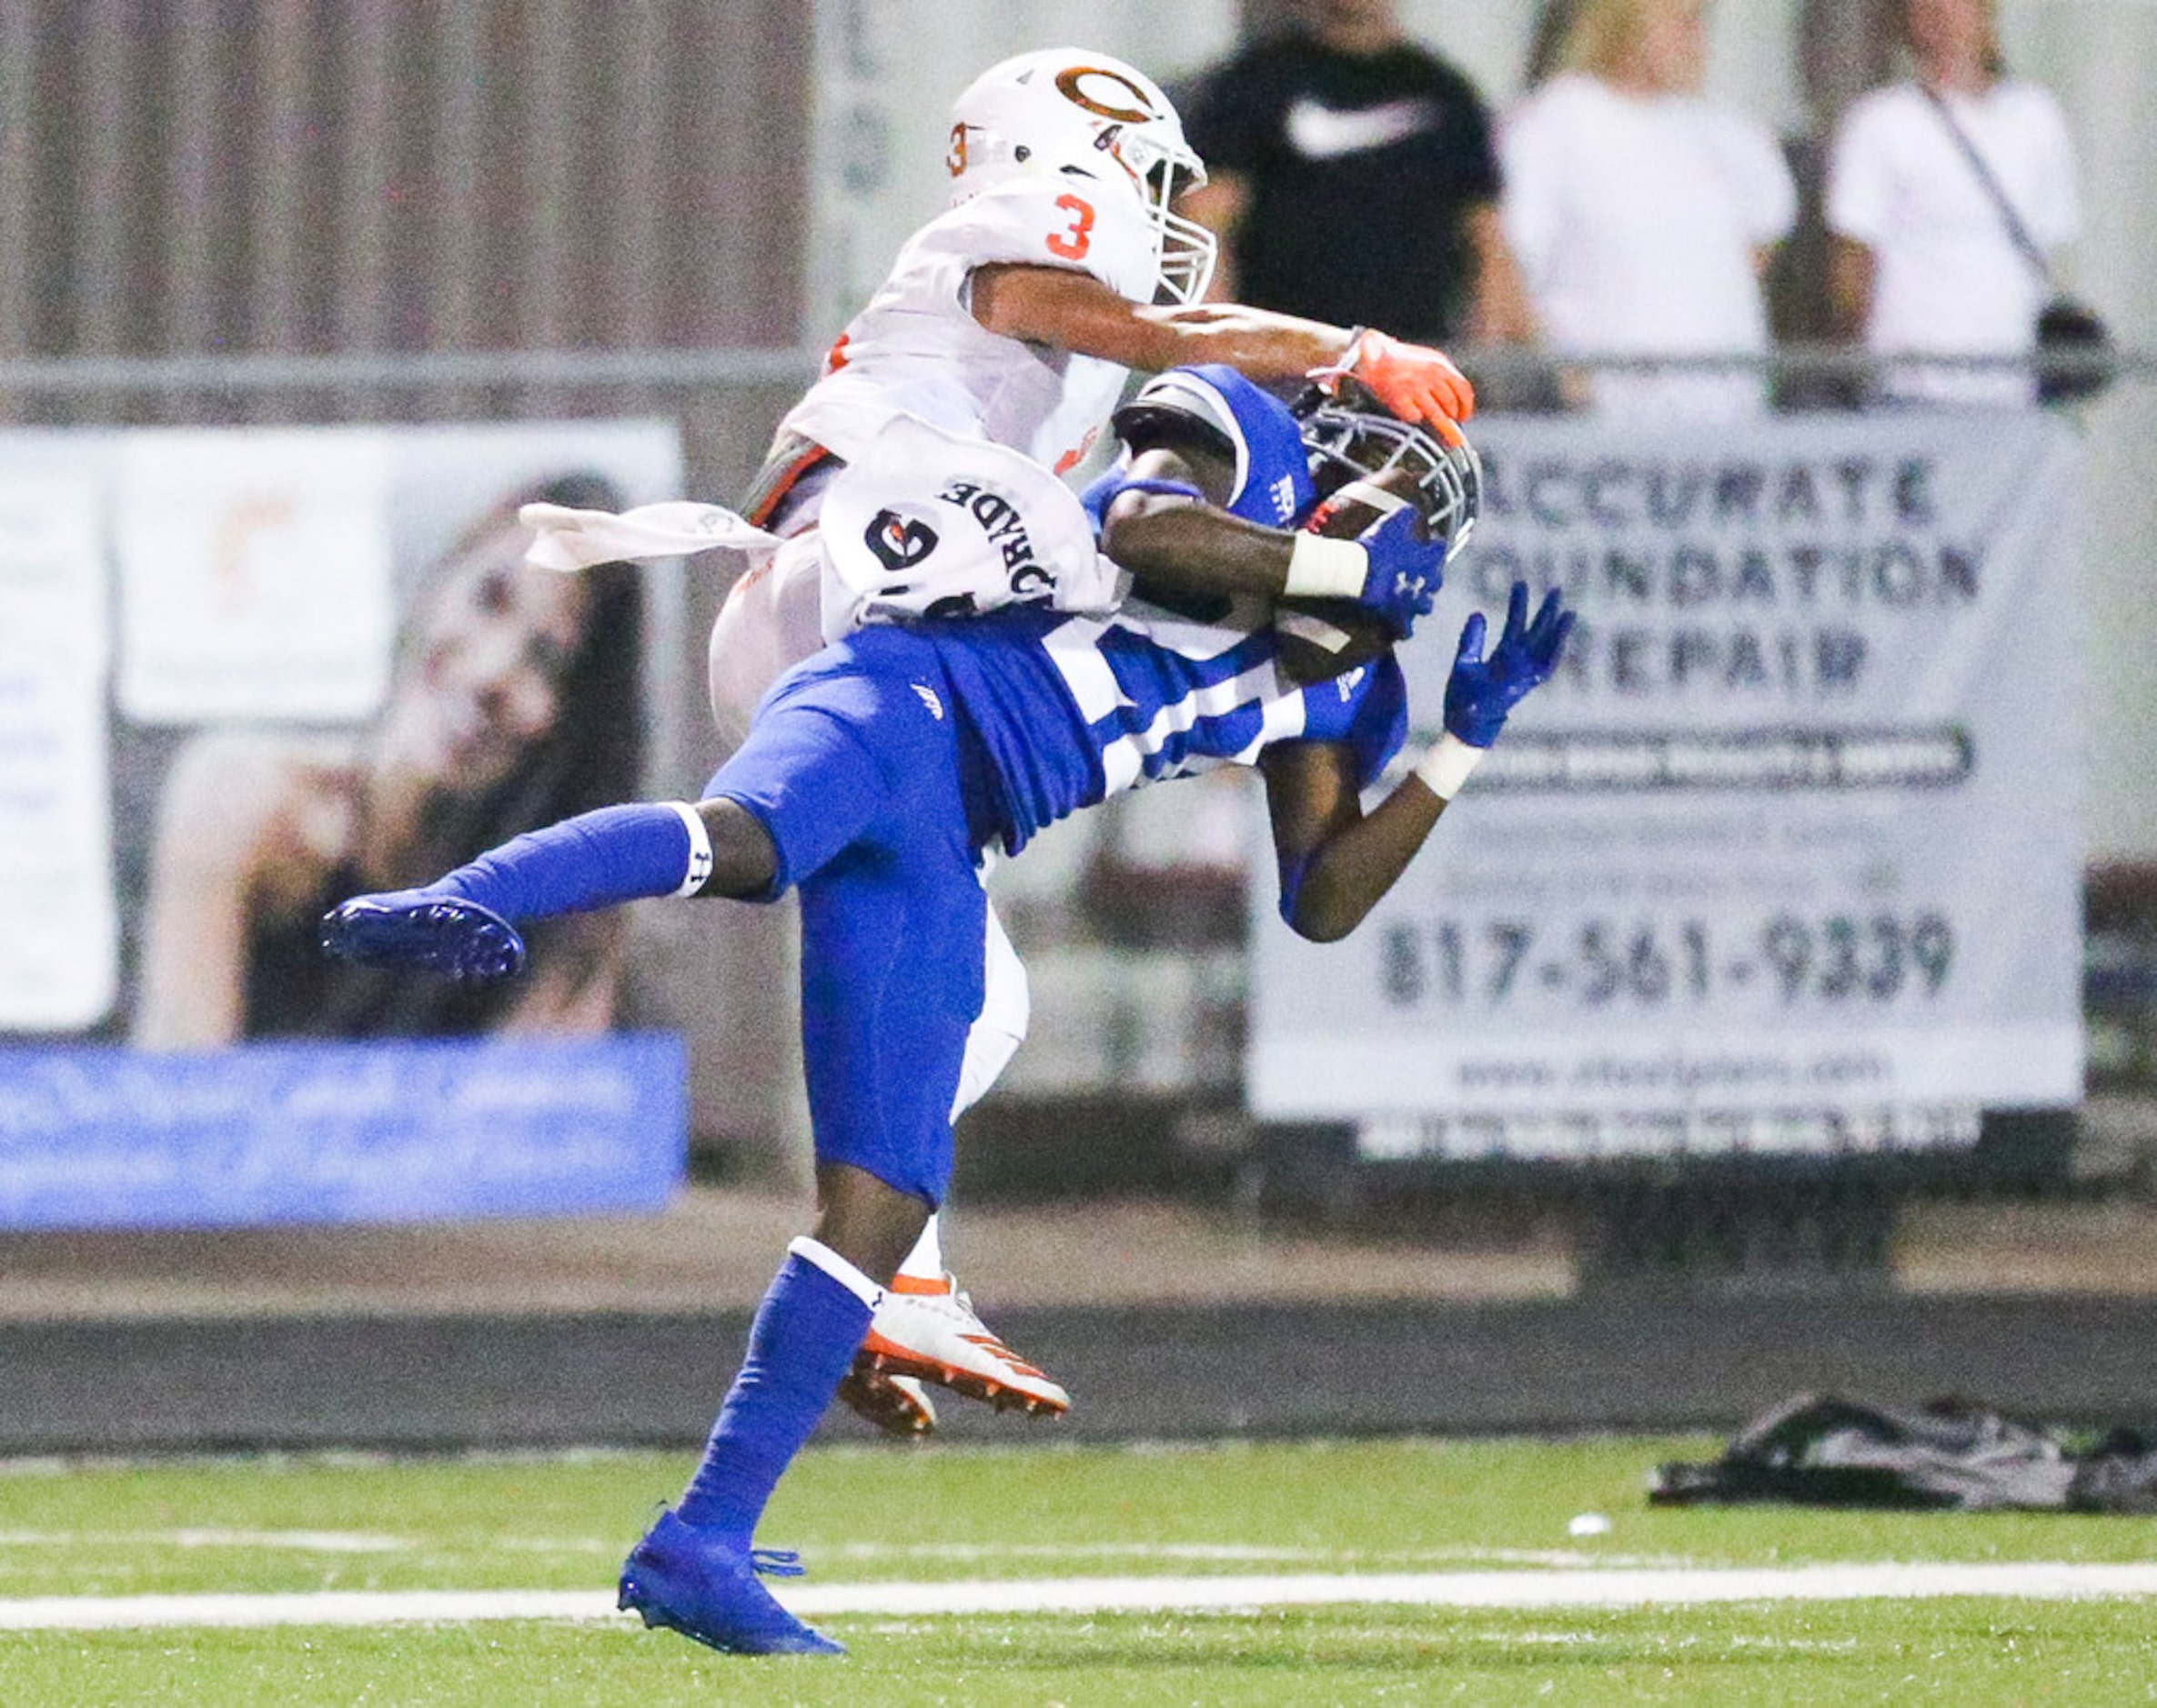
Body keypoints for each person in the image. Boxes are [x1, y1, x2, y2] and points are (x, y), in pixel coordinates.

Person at [322, 373, 1571, 1655]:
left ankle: (698, 1540)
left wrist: (1455, 747)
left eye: (1384, 490)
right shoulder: (1228, 473)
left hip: (956, 831)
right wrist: (1327, 563)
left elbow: (1320, 896)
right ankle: (468, 896)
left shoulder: (1344, 695)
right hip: (898, 697)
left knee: (883, 1198)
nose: (1349, 488)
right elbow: (1141, 529)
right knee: (750, 842)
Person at [688, 43, 1484, 1437]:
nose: (1173, 223)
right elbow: (1146, 386)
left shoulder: (1070, 400)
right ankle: (869, 1262)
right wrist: (1338, 358)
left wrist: (1436, 720)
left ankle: (878, 1275)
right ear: (1068, 161)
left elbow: (1319, 888)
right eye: (1152, 182)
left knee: (975, 999)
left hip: (851, 608)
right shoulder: (998, 257)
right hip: (852, 574)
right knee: (1076, 575)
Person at [132, 473, 643, 1048]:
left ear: (568, 728)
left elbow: (525, 1127)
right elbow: (174, 1107)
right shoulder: (245, 800)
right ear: (436, 584)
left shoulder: (564, 917)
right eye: (490, 597)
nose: (494, 671)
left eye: (546, 658)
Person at [1174, 0, 1538, 350]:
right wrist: (1218, 352)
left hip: (1409, 366)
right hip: (1289, 365)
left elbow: (1488, 242)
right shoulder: (1254, 84)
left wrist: (1499, 359)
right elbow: (1207, 229)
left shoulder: (1443, 93)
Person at [1498, 0, 1798, 421]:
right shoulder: (1554, 123)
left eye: (1699, 20)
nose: (1694, 36)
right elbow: (1513, 270)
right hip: (1610, 423)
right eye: (1680, 19)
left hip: (1728, 416)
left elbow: (1761, 242)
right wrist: (1567, 377)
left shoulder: (1728, 135)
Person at [1824, 0, 2082, 407]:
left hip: (2015, 388)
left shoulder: (2037, 116)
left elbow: (2051, 251)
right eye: (1926, 7)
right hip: (1911, 390)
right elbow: (1852, 271)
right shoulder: (1878, 122)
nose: (1943, 18)